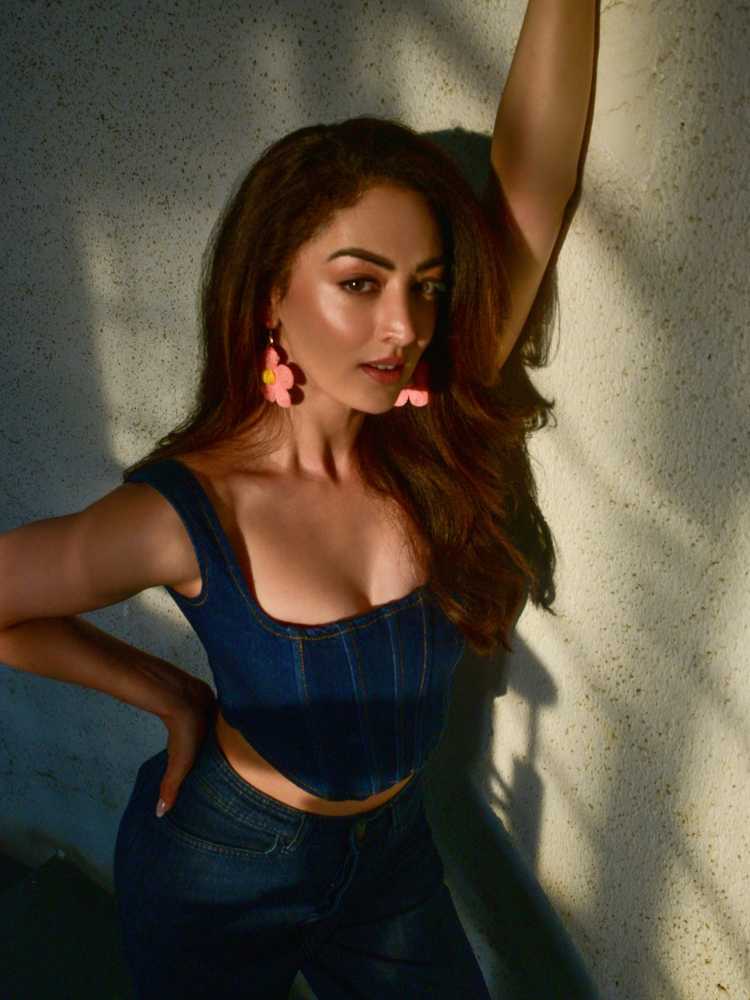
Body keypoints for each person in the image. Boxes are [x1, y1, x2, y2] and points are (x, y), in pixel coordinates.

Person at [0, 3, 596, 997]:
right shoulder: (188, 509)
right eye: (360, 283)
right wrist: (168, 694)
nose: (403, 325)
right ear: (272, 292)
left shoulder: (431, 431)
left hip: (395, 856)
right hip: (223, 870)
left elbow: (536, 178)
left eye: (426, 285)